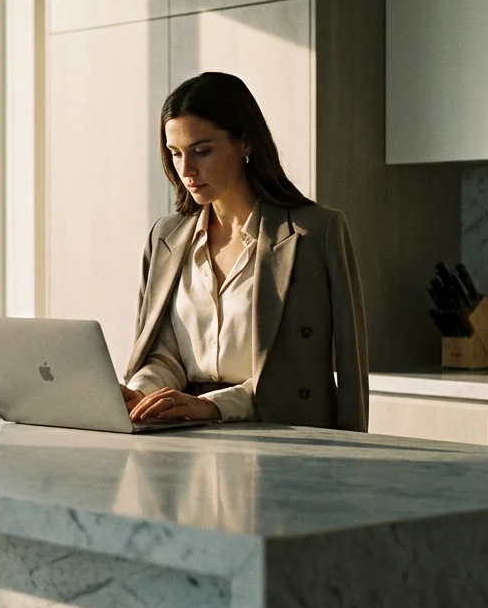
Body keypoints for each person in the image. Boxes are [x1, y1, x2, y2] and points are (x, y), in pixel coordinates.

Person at [121, 72, 368, 431]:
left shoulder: (316, 232)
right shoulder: (166, 237)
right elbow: (165, 354)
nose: (186, 170)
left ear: (247, 143)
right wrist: (140, 393)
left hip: (285, 439)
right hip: (179, 437)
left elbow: (347, 370)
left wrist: (355, 460)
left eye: (202, 151)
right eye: (175, 154)